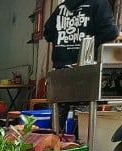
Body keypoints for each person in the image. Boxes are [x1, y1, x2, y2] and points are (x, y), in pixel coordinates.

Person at [44, 0, 122, 130]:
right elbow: (109, 33)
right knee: (83, 118)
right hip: (87, 70)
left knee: (57, 123)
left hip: (61, 70)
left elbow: (48, 34)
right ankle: (81, 146)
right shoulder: (99, 4)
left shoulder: (61, 8)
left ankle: (54, 146)